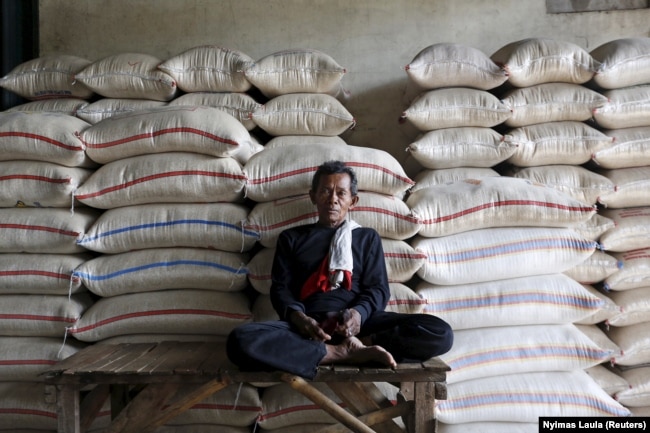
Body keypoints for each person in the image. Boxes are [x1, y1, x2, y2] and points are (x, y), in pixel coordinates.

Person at [227, 160, 453, 379]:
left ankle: (364, 345)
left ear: (353, 201)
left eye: (341, 193)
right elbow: (281, 289)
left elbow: (377, 289)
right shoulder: (292, 238)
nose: (332, 200)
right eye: (325, 191)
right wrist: (300, 319)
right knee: (240, 340)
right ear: (313, 196)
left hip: (360, 326)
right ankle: (339, 353)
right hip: (309, 328)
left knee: (440, 332)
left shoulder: (366, 238)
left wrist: (358, 315)